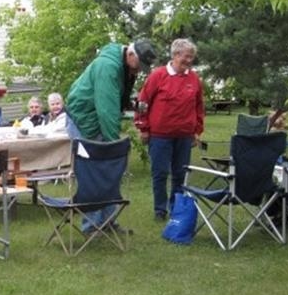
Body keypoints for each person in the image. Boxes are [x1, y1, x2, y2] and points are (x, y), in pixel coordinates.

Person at [66, 39, 157, 233]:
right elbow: (106, 110)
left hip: (95, 116)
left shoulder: (124, 66)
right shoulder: (108, 66)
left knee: (108, 171)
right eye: (139, 65)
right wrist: (113, 145)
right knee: (93, 173)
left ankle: (107, 222)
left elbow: (115, 101)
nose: (139, 70)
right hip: (84, 120)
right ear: (130, 55)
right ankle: (91, 226)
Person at [134, 38, 205, 221]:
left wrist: (197, 130)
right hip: (160, 136)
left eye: (191, 57)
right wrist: (143, 127)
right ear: (175, 55)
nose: (189, 61)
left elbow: (199, 106)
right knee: (160, 173)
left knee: (180, 174)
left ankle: (176, 208)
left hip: (184, 135)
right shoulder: (158, 76)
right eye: (186, 57)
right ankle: (160, 209)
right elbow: (143, 103)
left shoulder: (194, 78)